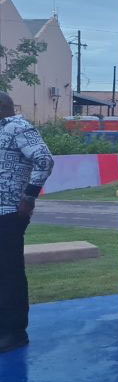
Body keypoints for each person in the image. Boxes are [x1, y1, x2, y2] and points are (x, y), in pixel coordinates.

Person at [0, 92, 54, 354]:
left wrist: (29, 197)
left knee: (8, 272)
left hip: (10, 212)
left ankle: (15, 331)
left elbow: (44, 159)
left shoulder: (18, 127)